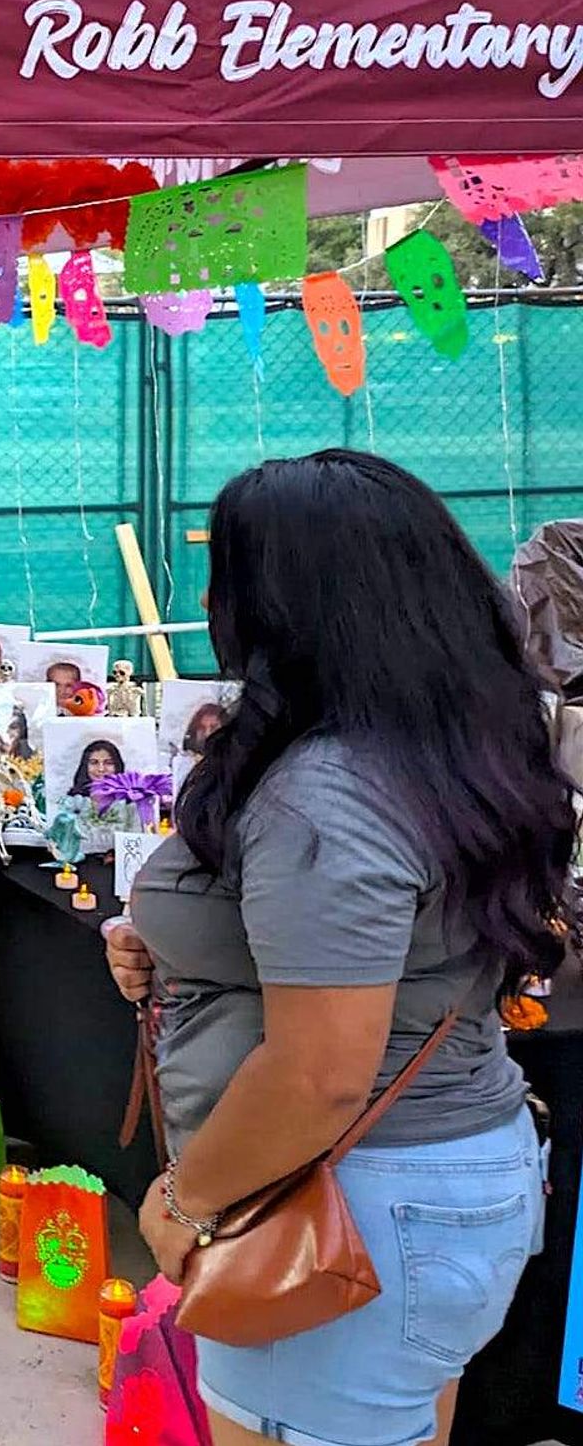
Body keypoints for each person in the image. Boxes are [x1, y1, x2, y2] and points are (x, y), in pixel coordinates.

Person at [103, 451, 571, 1446]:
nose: (205, 598)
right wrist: (174, 948)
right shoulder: (457, 746)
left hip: (347, 1197)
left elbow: (317, 1074)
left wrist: (185, 1205)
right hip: (440, 1181)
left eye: (224, 575)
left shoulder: (327, 793)